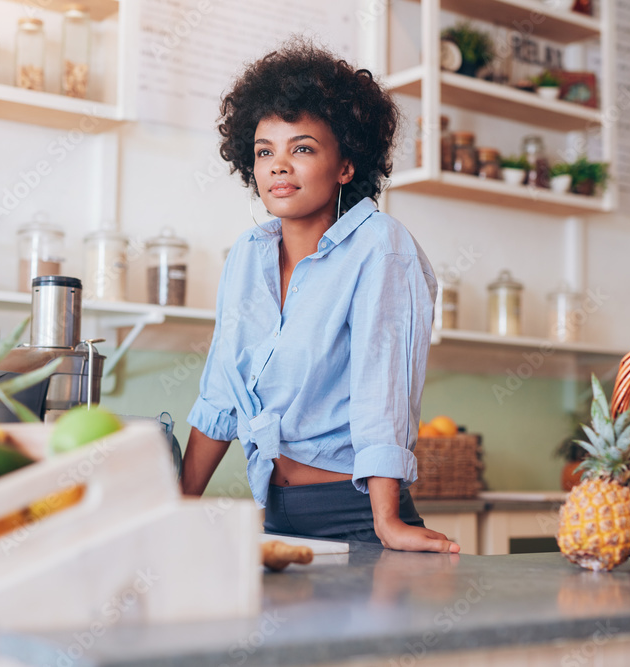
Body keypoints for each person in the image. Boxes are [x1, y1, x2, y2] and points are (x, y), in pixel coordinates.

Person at [181, 39, 458, 554]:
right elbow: (220, 394)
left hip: (356, 517)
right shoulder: (246, 255)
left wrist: (386, 522)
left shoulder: (380, 246)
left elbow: (384, 392)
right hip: (277, 517)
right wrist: (176, 508)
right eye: (266, 151)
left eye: (302, 148)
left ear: (346, 166)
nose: (278, 166)